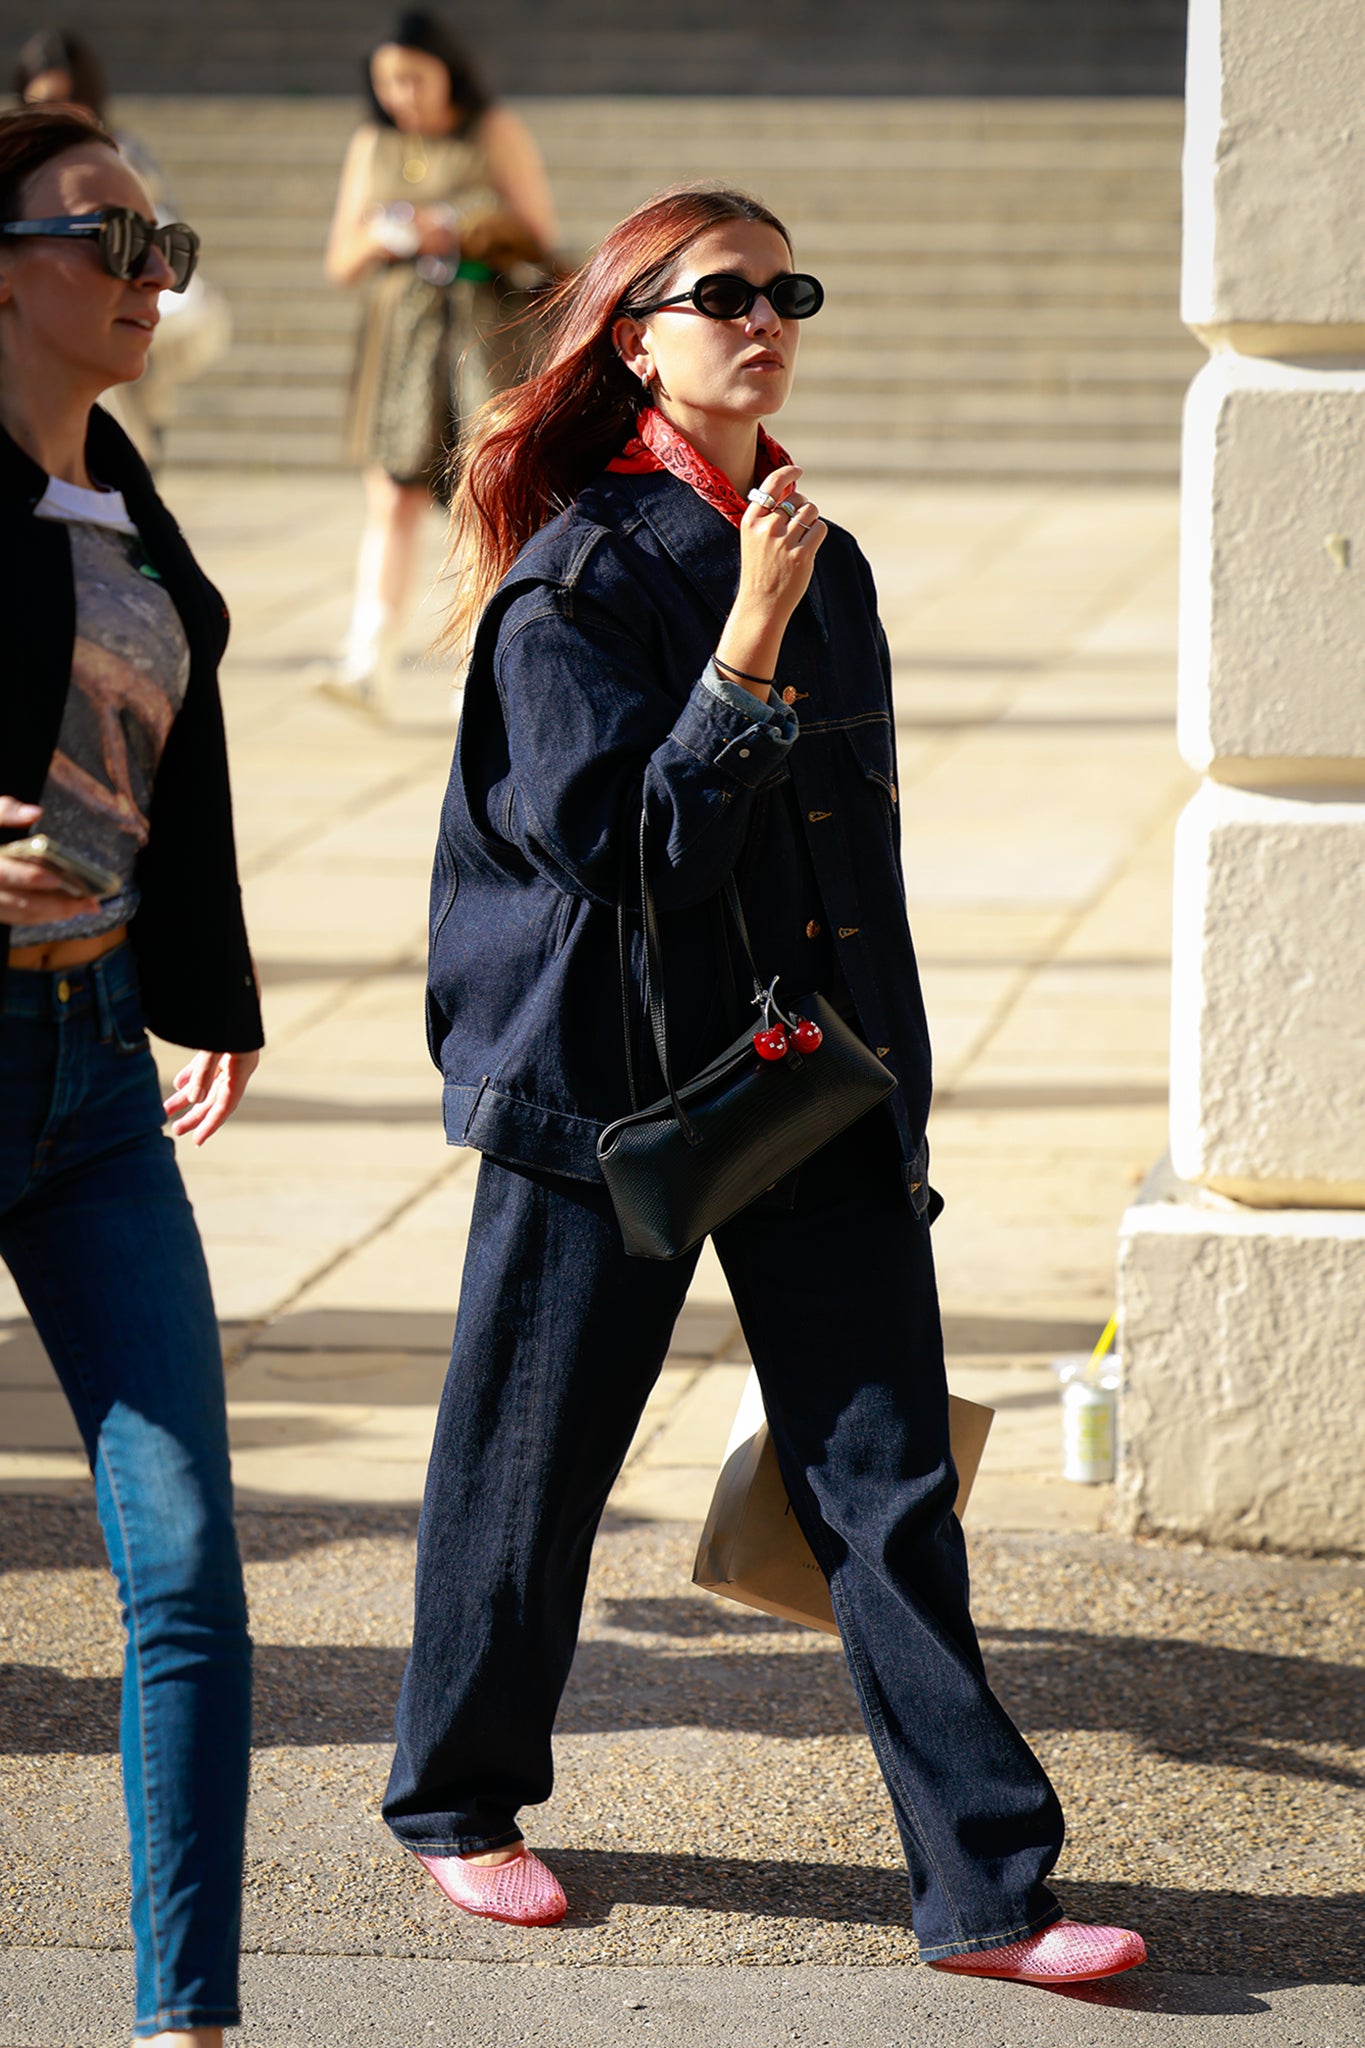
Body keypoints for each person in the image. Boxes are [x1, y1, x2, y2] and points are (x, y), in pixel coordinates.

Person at [382, 183, 1148, 1987]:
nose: (764, 314)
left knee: (885, 1483)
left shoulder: (823, 550)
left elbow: (853, 867)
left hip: (805, 1080)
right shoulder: (579, 576)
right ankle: (458, 1798)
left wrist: (903, 1101)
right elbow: (621, 851)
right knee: (532, 1458)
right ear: (631, 335)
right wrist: (740, 643)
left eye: (786, 287)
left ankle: (989, 1895)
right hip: (614, 1096)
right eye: (719, 291)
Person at [0, 104, 262, 2044]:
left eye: (159, 242)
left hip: (93, 1079)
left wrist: (206, 986)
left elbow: (191, 733)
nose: (144, 275)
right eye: (106, 238)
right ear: (5, 268)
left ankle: (189, 2019)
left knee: (183, 1572)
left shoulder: (123, 486)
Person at [323, 7, 558, 712]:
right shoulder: (374, 143)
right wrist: (387, 235)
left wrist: (457, 226)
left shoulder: (492, 131)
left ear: (447, 71)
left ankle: (484, 658)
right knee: (390, 490)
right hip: (400, 336)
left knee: (485, 493)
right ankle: (368, 658)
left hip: (480, 332)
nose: (401, 95)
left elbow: (540, 236)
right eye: (387, 82)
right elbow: (341, 260)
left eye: (413, 78)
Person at [12, 26, 231, 465]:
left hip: (125, 387)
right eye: (41, 102)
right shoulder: (16, 165)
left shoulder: (124, 158)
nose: (56, 113)